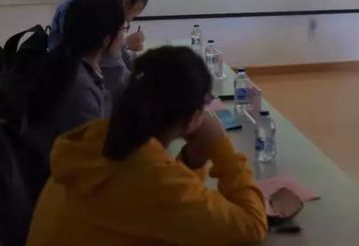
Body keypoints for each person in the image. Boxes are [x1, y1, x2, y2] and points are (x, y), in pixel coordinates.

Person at [27, 46, 269, 246]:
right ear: (193, 117)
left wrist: (191, 161)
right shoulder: (152, 178)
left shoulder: (95, 137)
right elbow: (252, 226)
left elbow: (166, 200)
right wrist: (220, 147)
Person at [25, 0, 126, 164]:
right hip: (63, 172)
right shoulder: (80, 86)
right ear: (106, 40)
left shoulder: (62, 61)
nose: (124, 37)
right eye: (123, 29)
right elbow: (93, 153)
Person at [82, 0, 152, 103]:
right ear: (126, 3)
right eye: (138, 8)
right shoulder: (105, 30)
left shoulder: (87, 15)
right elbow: (120, 81)